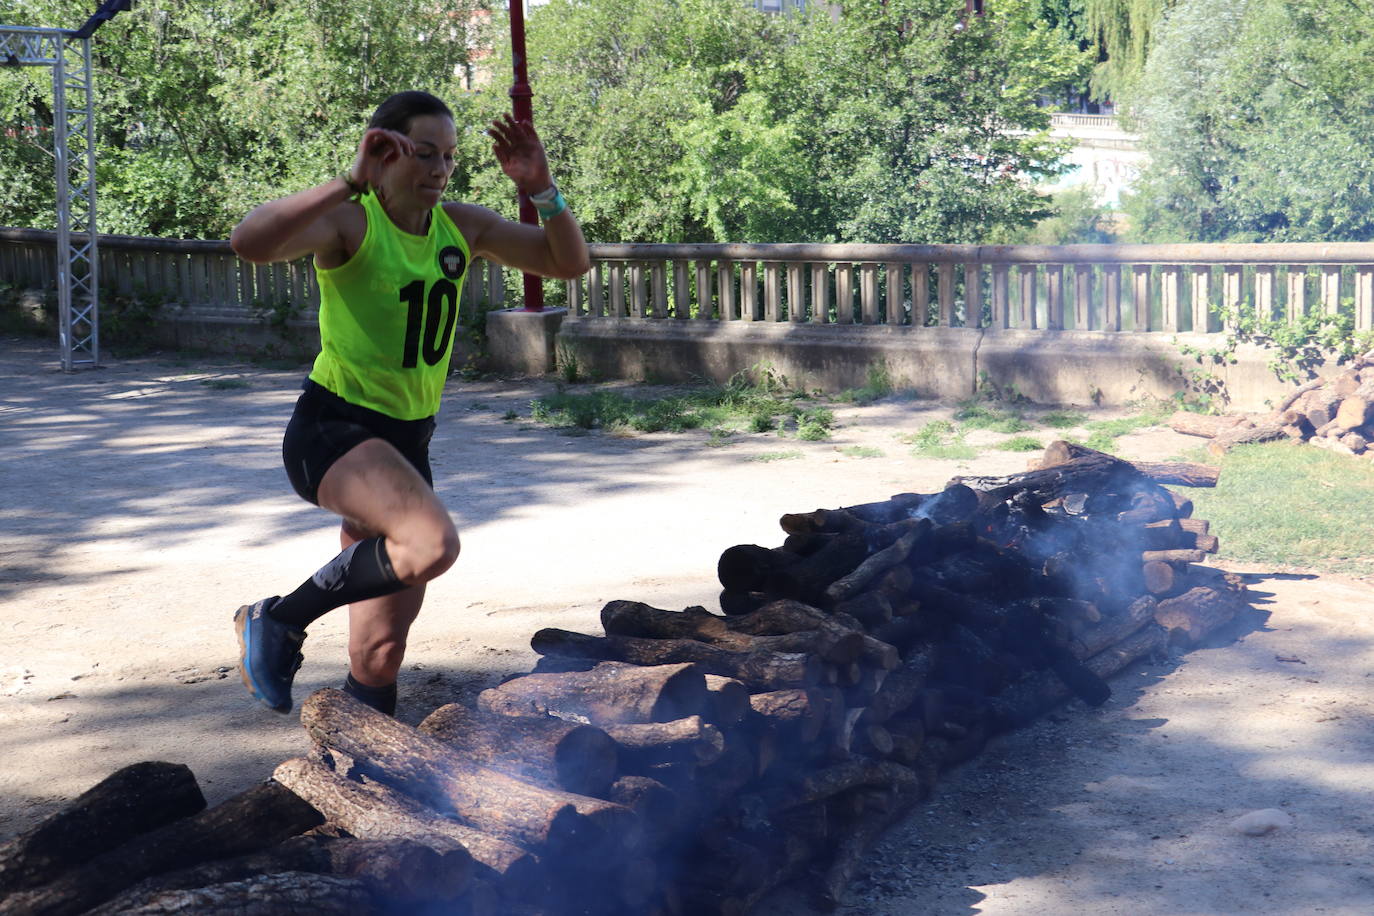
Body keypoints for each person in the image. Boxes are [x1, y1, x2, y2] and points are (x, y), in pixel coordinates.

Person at [228, 90, 589, 716]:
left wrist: (542, 187)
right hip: (334, 430)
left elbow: (567, 262)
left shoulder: (460, 226)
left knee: (380, 649)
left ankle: (367, 777)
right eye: (424, 154)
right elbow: (249, 243)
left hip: (406, 444)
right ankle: (277, 619)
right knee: (432, 545)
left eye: (448, 157)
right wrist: (348, 180)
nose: (439, 170)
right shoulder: (352, 221)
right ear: (382, 151)